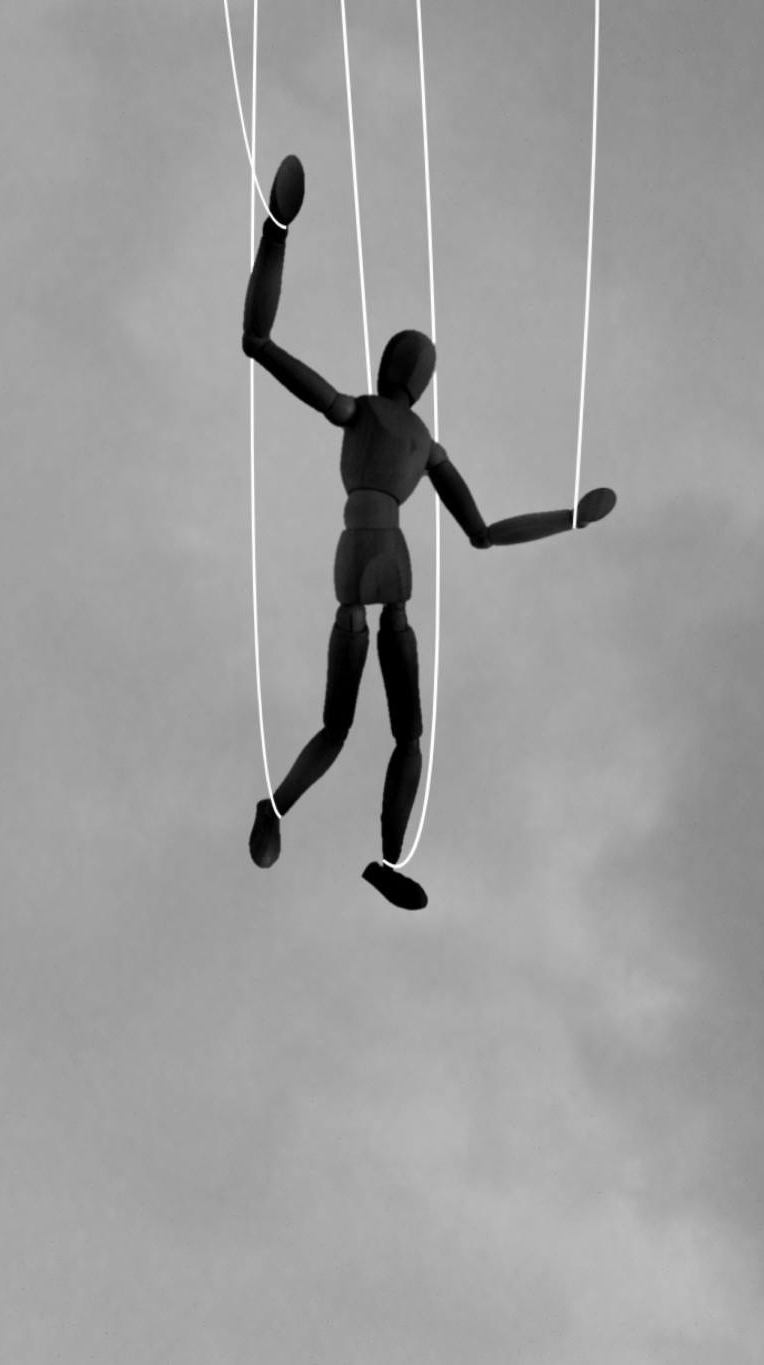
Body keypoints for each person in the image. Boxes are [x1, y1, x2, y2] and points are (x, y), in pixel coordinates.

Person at [241, 154, 616, 911]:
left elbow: (480, 530)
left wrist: (571, 516)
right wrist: (275, 230)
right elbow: (482, 531)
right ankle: (282, 809)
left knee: (383, 728)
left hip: (371, 562)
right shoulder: (384, 421)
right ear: (418, 373)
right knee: (364, 724)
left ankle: (373, 850)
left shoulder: (412, 437)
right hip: (378, 560)